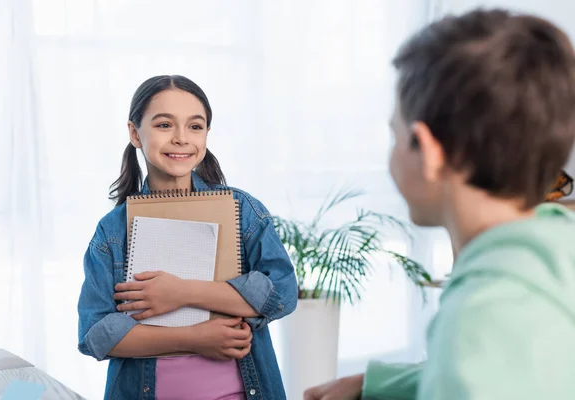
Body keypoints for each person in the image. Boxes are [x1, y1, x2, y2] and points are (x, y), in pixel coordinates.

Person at [305, 8, 575, 400]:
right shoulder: (554, 250)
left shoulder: (480, 317)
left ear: (428, 150)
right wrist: (377, 384)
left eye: (394, 135)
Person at [77, 75, 298, 400]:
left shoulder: (243, 211)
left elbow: (282, 292)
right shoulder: (112, 232)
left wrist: (181, 292)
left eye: (195, 126)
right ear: (135, 133)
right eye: (165, 125)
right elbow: (96, 335)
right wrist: (194, 337)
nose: (181, 138)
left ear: (206, 134)